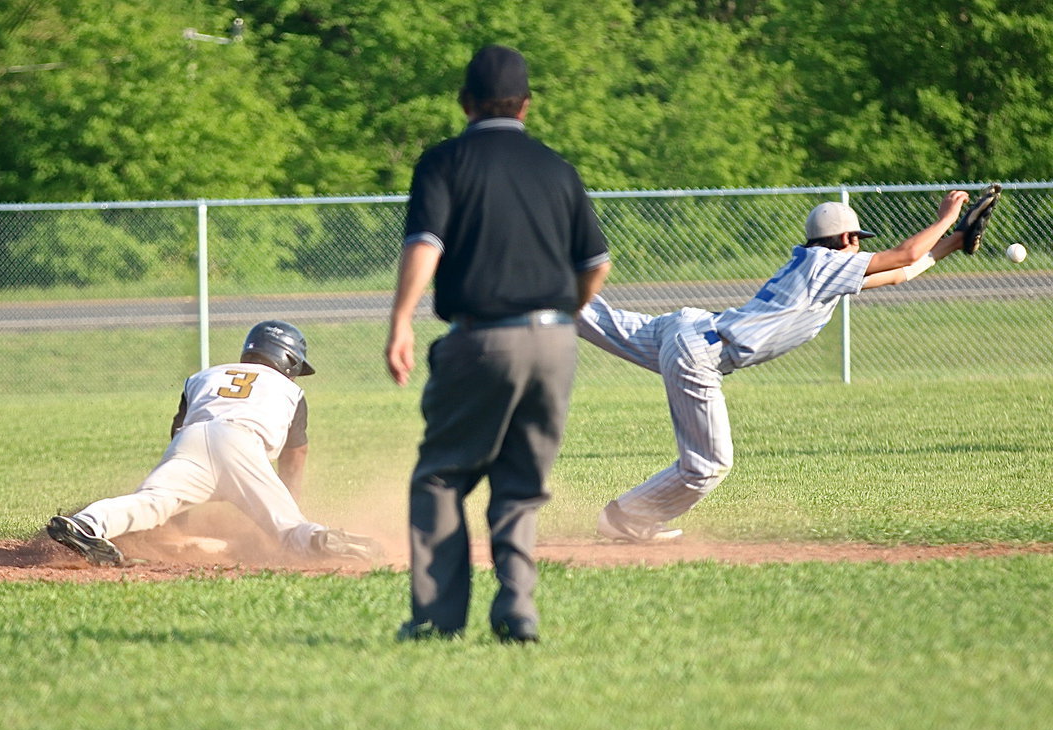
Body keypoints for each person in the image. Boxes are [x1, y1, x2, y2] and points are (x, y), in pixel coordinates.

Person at [579, 191, 972, 542]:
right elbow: (904, 256)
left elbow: (898, 274)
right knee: (709, 465)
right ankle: (626, 517)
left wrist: (954, 244)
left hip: (689, 330)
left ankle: (540, 287)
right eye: (858, 240)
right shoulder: (825, 264)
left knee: (593, 316)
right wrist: (946, 219)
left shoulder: (816, 268)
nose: (861, 248)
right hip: (702, 351)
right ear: (845, 240)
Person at [385, 45, 612, 643]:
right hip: (556, 342)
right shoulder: (557, 168)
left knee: (441, 475)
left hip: (482, 338)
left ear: (465, 103)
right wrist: (566, 314)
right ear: (526, 106)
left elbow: (426, 244)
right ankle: (518, 610)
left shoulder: (445, 162)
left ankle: (437, 619)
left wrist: (401, 319)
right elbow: (597, 262)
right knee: (519, 483)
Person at [47, 320, 382, 566]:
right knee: (286, 528)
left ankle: (86, 523)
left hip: (193, 438)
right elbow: (296, 455)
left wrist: (182, 505)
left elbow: (179, 434)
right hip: (242, 442)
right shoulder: (288, 390)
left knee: (152, 502)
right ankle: (323, 539)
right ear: (288, 361)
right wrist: (287, 500)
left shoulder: (204, 377)